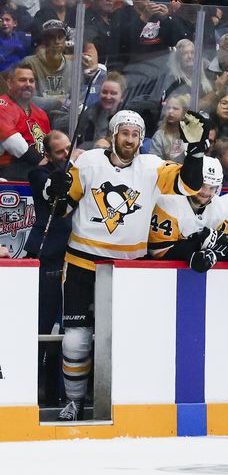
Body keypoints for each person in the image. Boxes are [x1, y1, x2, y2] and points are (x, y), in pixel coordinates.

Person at [46, 109, 212, 419]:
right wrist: (52, 191)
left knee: (126, 335)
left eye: (136, 134)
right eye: (125, 133)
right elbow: (63, 207)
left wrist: (196, 150)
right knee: (75, 338)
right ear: (112, 135)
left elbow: (189, 185)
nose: (130, 139)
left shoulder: (152, 167)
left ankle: (124, 399)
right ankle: (74, 400)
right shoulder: (89, 161)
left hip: (129, 266)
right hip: (83, 259)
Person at [0, 62, 51, 180]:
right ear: (9, 83)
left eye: (31, 81)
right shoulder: (2, 105)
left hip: (36, 169)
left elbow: (49, 145)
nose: (28, 84)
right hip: (9, 168)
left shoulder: (41, 114)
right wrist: (41, 161)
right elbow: (12, 142)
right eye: (22, 80)